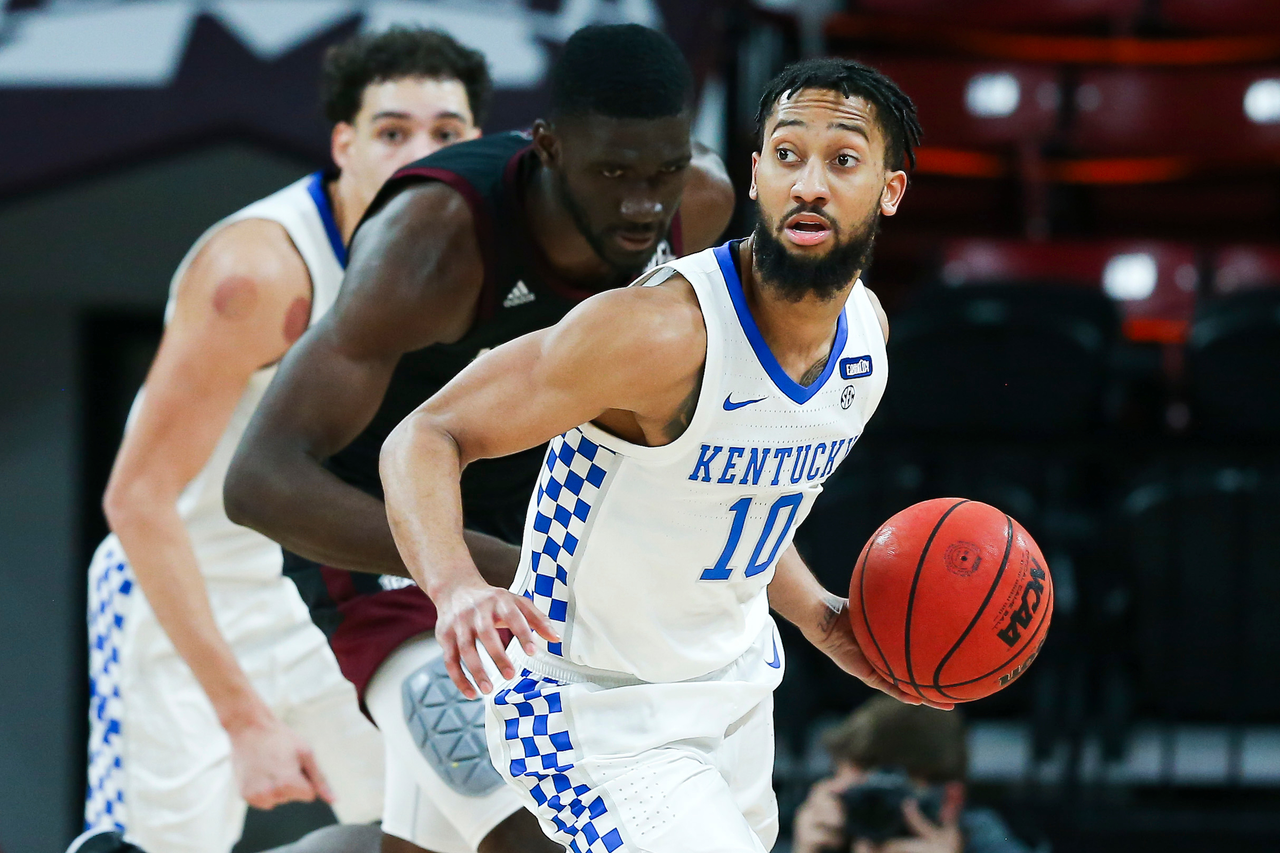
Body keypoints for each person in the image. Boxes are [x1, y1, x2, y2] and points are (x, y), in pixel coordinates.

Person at [379, 56, 950, 853]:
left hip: (737, 694)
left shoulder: (866, 339)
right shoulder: (656, 333)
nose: (809, 183)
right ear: (755, 176)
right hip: (594, 709)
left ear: (889, 190)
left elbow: (732, 506)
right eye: (787, 155)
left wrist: (822, 619)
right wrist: (454, 588)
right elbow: (426, 433)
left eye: (843, 160)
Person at [224, 23, 734, 853]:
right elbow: (259, 480)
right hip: (398, 545)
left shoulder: (700, 205)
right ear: (547, 149)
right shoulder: (437, 239)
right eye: (613, 173)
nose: (645, 203)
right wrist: (480, 567)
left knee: (432, 844)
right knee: (543, 827)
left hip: (540, 546)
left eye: (662, 171)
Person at [71, 27, 492, 853]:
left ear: (479, 143)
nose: (418, 153)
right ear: (344, 145)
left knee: (443, 824)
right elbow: (138, 497)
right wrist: (243, 717)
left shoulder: (472, 259)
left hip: (323, 598)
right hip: (185, 594)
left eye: (445, 133)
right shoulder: (258, 272)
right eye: (392, 130)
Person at [792, 697, 1034, 853]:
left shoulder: (984, 840)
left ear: (950, 799)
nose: (873, 815)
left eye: (886, 798)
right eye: (858, 797)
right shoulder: (831, 837)